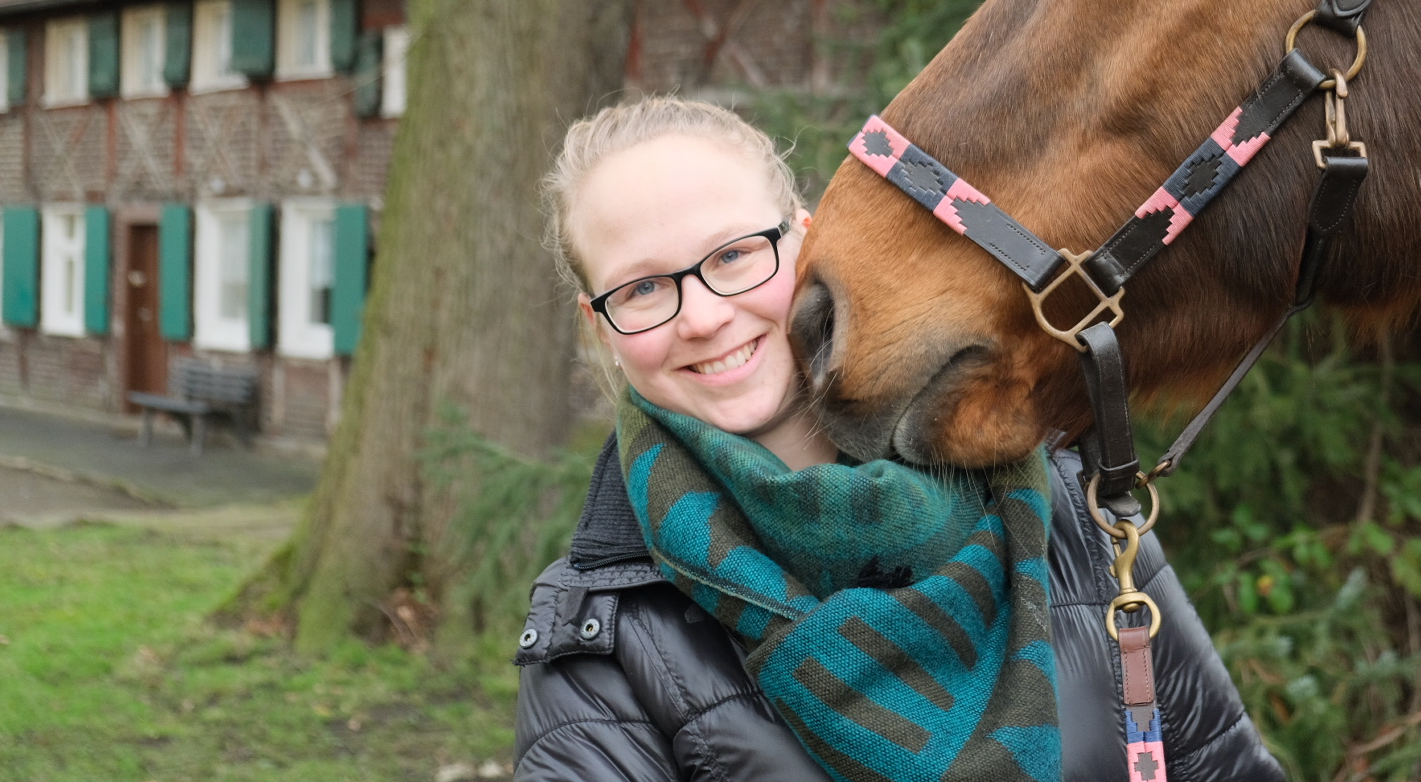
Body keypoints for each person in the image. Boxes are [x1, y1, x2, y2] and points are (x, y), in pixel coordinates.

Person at [512, 97, 1282, 782]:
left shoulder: (1063, 502)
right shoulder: (599, 647)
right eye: (643, 288)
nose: (704, 315)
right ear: (600, 324)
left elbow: (1219, 762)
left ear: (806, 241)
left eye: (734, 255)